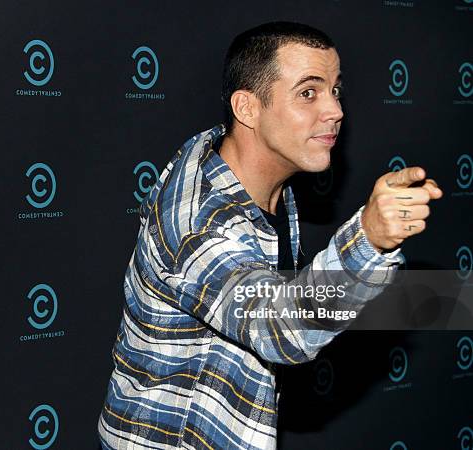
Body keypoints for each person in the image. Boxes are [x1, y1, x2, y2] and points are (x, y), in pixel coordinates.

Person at [98, 22, 442, 449]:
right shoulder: (200, 224)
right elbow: (280, 328)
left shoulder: (255, 174)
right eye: (308, 93)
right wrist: (368, 239)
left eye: (335, 89)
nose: (335, 110)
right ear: (248, 108)